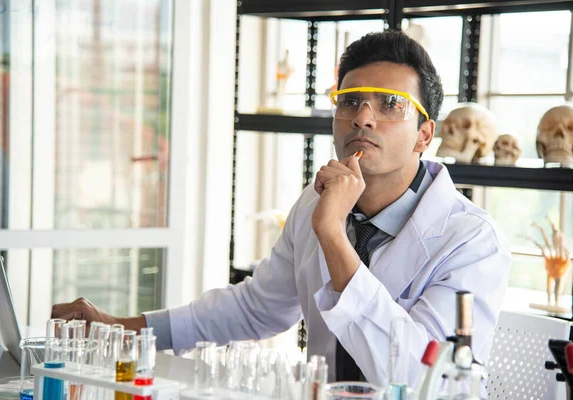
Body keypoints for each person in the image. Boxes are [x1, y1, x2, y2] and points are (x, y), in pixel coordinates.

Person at [52, 30, 511, 387]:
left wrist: (332, 235)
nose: (363, 118)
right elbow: (257, 308)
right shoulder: (317, 202)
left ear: (425, 135)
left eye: (391, 105)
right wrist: (121, 329)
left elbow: (417, 375)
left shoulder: (470, 240)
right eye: (349, 102)